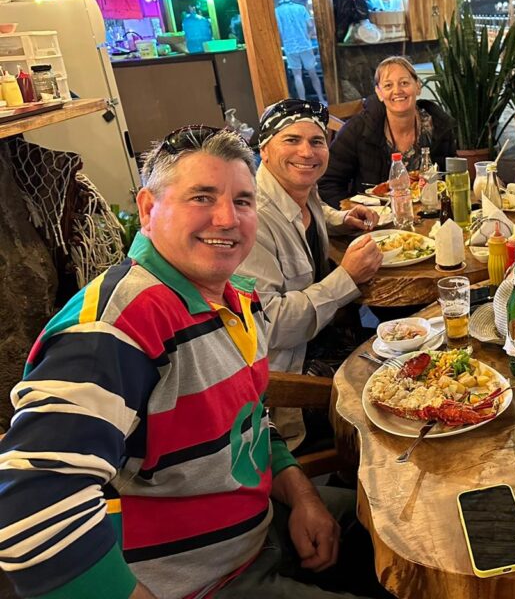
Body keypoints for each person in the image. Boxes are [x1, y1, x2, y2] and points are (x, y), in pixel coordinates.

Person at [0, 126, 375, 599]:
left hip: (263, 527)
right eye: (202, 196)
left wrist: (301, 494)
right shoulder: (115, 328)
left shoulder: (234, 300)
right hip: (202, 580)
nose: (227, 218)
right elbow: (29, 514)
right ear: (147, 208)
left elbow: (248, 419)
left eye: (242, 201)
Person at [237, 99, 383, 450]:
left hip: (326, 338)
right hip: (293, 380)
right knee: (396, 382)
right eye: (292, 140)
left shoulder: (298, 189)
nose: (307, 151)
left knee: (408, 340)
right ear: (265, 149)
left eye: (317, 141)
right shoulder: (251, 222)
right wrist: (345, 278)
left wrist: (339, 219)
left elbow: (312, 205)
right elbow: (268, 326)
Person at [319, 56, 456, 207]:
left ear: (418, 86)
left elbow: (453, 178)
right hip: (376, 222)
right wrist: (351, 215)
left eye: (404, 83)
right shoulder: (358, 129)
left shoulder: (439, 125)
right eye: (388, 85)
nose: (397, 91)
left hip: (431, 215)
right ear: (378, 93)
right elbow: (327, 183)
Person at [276, 0, 326, 104]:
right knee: (313, 73)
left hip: (290, 46)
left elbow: (278, 29)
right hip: (305, 44)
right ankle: (321, 99)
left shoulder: (277, 11)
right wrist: (308, 35)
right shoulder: (301, 8)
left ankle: (303, 102)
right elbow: (310, 24)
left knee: (297, 76)